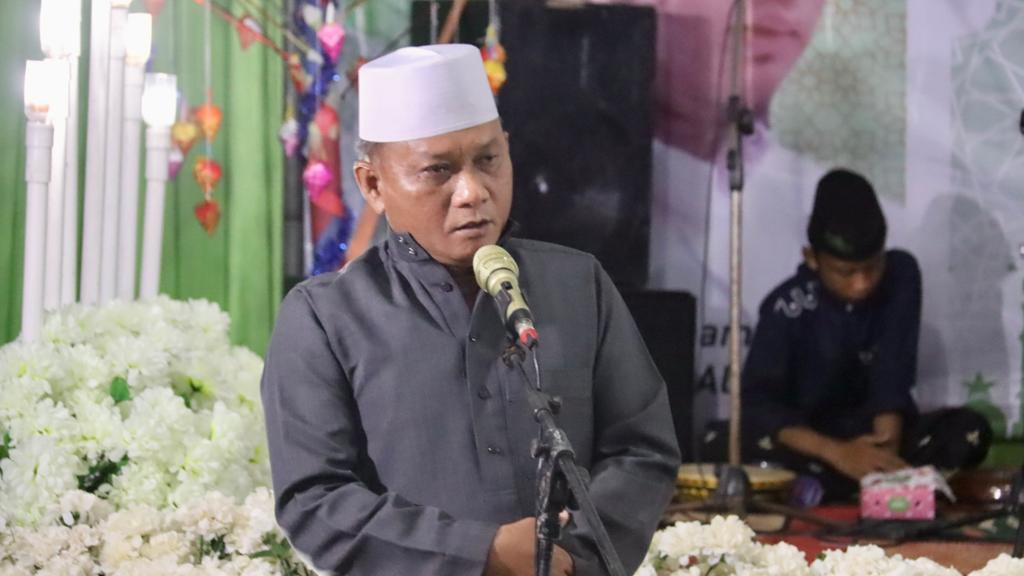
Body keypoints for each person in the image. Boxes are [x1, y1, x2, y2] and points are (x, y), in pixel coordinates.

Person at [260, 44, 680, 575]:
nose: (472, 192)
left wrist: (569, 559)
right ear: (373, 185)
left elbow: (642, 449)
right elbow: (315, 501)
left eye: (488, 160)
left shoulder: (578, 284)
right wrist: (482, 555)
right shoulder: (324, 318)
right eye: (438, 170)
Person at [741, 168, 992, 501]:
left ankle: (845, 490)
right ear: (812, 258)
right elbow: (758, 405)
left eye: (872, 267)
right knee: (735, 444)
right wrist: (839, 454)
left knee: (969, 431)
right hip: (814, 442)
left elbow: (891, 376)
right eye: (845, 272)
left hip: (878, 437)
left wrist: (884, 460)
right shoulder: (786, 307)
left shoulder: (901, 275)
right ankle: (840, 485)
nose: (861, 283)